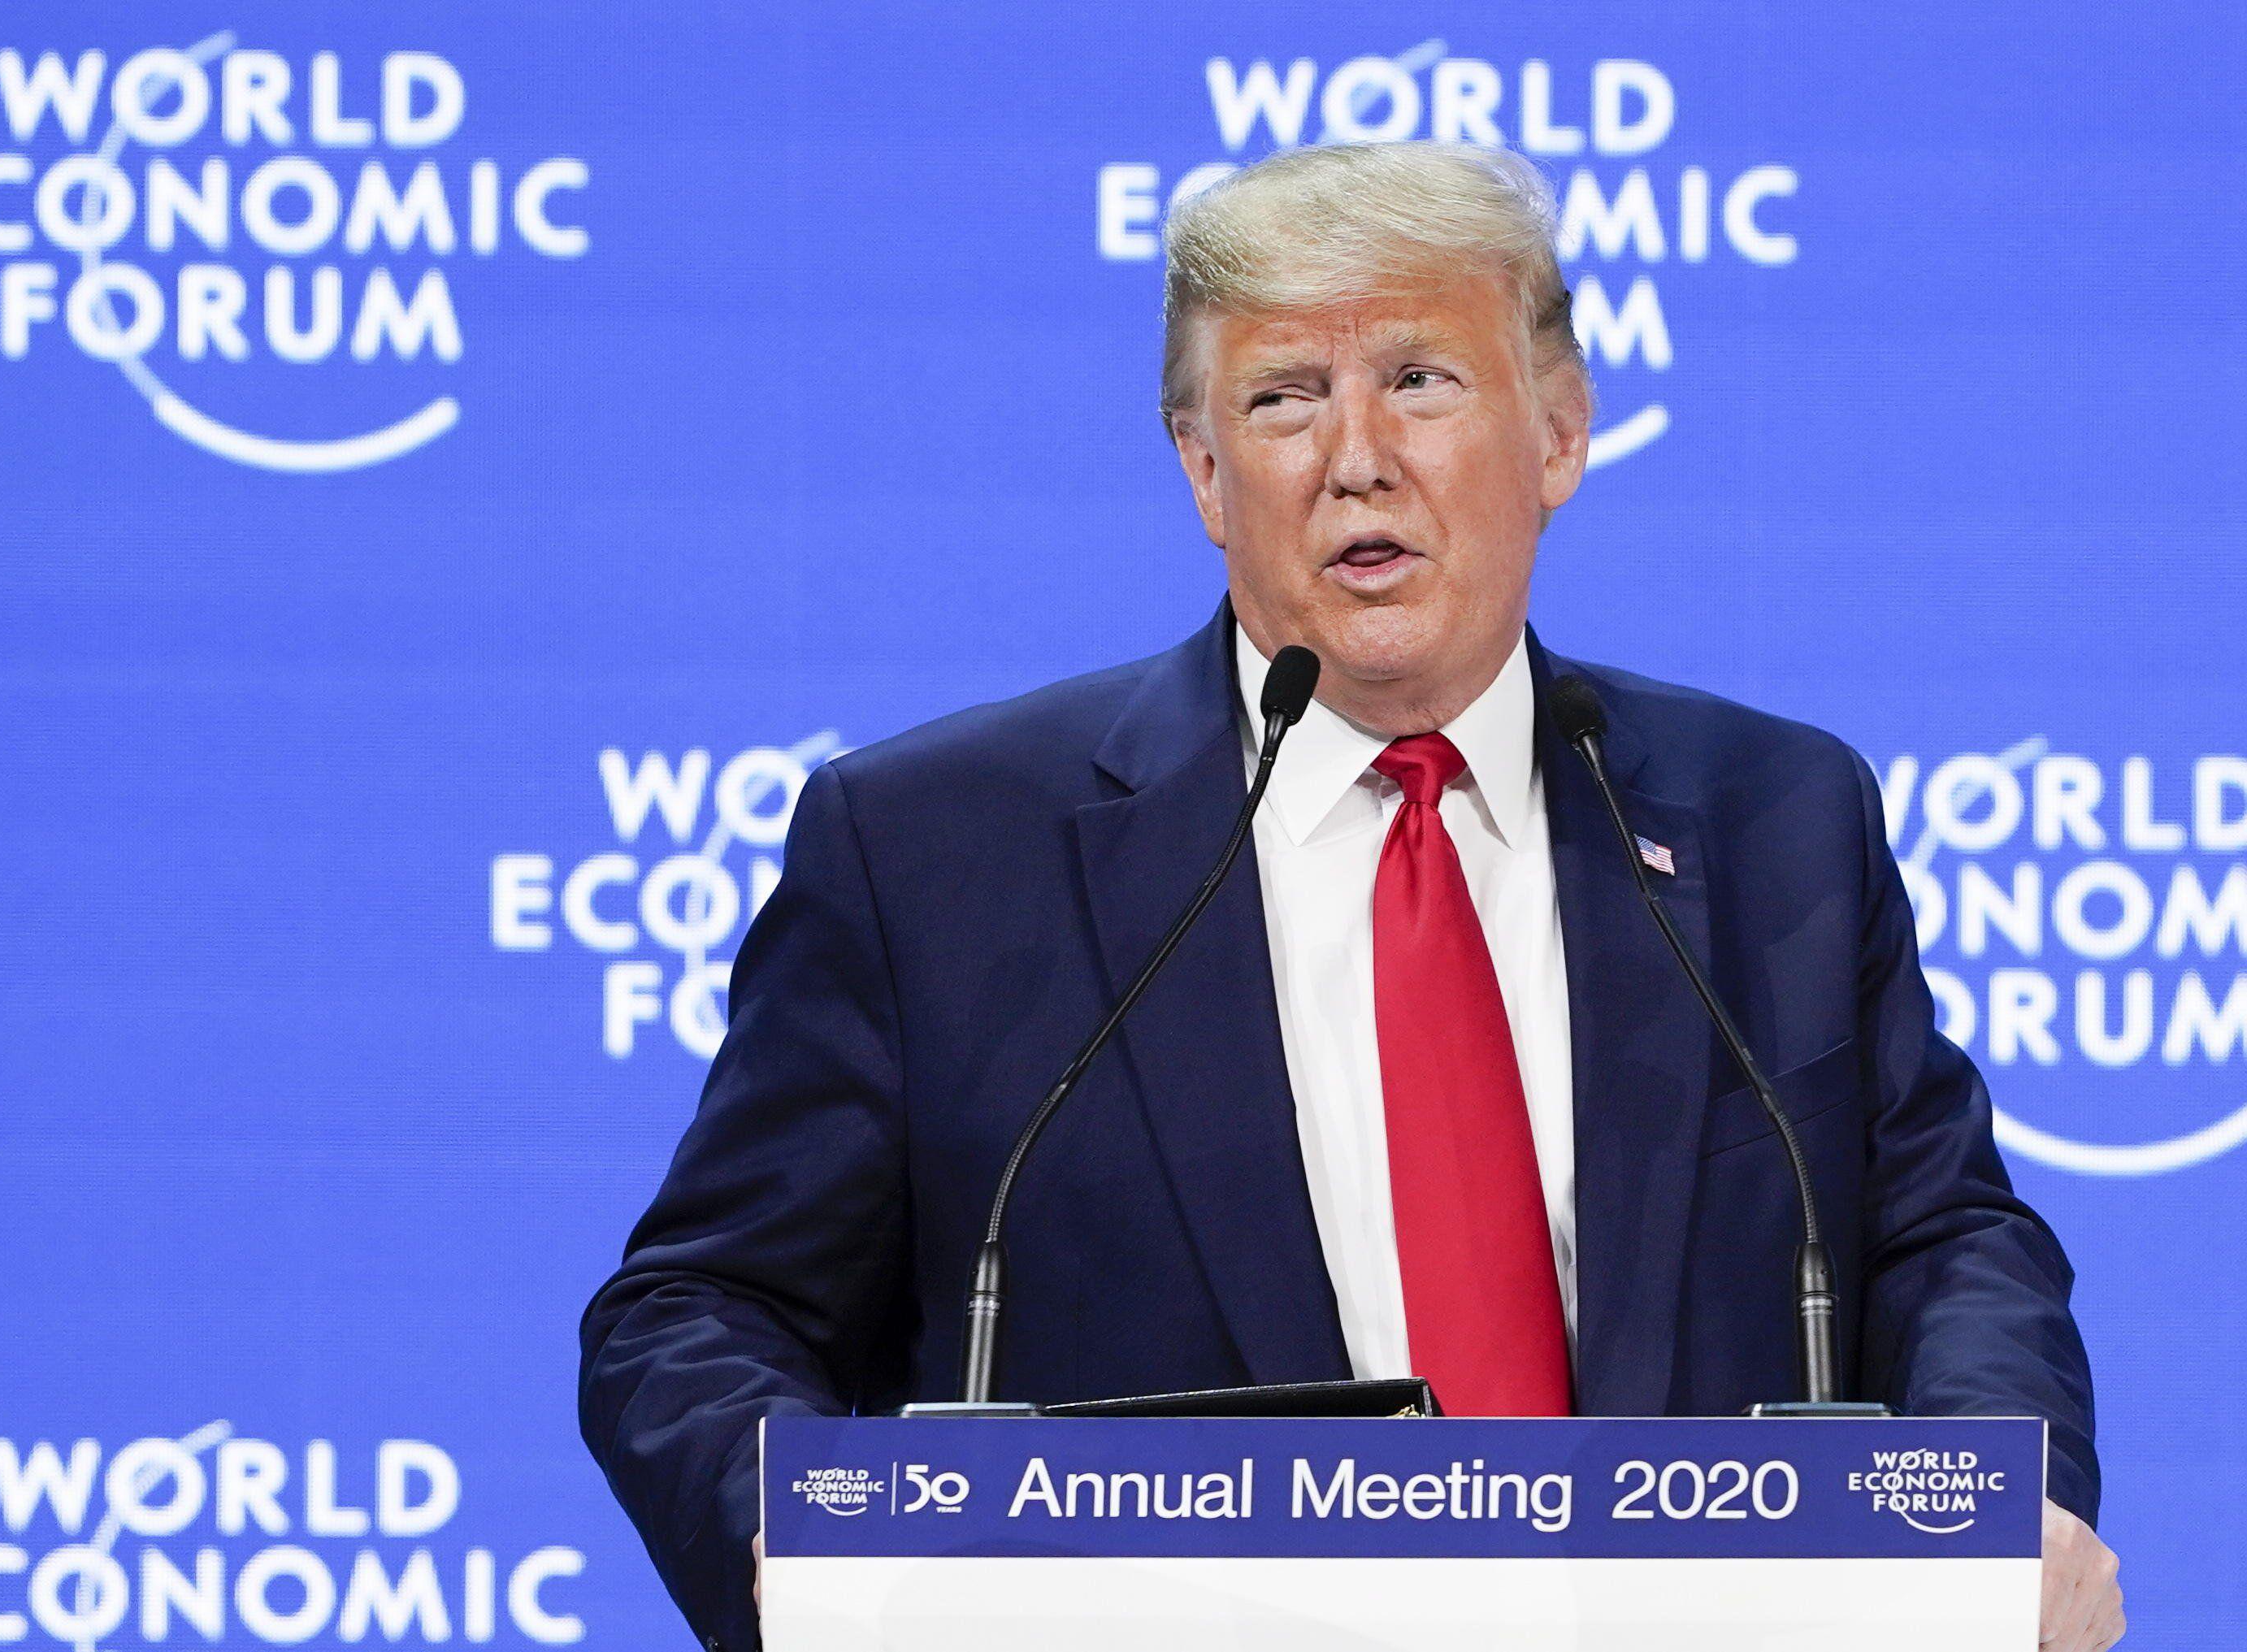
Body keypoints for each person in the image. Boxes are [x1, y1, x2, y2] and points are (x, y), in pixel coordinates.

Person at [578, 141, 2122, 1652]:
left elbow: (1940, 1240)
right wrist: (806, 1550)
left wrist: (2010, 1501)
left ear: (1560, 434)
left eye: (1419, 380)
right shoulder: (938, 850)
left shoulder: (1773, 814)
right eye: (1281, 398)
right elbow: (701, 1308)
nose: (1355, 457)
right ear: (1203, 472)